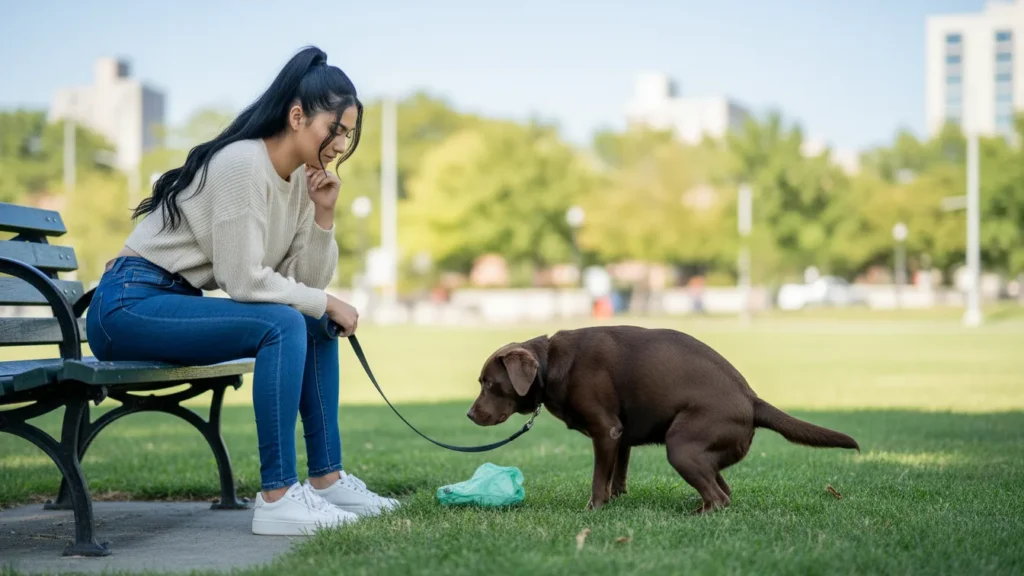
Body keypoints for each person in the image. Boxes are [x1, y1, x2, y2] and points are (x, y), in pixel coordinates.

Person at [85, 46, 398, 536]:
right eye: (334, 130)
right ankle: (276, 497)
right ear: (297, 116)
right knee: (286, 321)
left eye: (348, 134)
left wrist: (324, 215)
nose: (340, 144)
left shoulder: (299, 182)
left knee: (310, 318)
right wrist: (325, 302)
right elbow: (245, 280)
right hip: (128, 304)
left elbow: (308, 286)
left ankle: (326, 479)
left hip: (171, 301)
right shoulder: (241, 164)